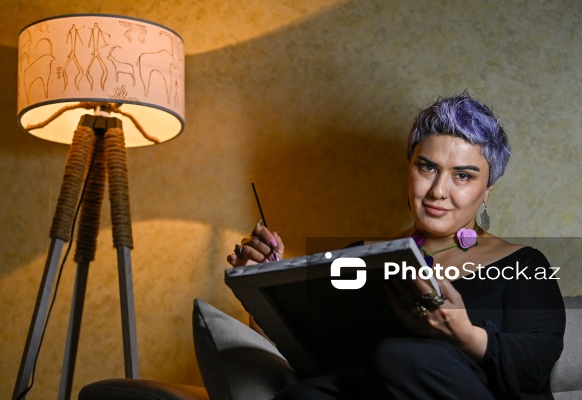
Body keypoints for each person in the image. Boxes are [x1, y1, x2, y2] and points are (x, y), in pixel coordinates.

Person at [226, 91, 565, 399]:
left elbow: (536, 362)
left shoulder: (523, 263)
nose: (438, 191)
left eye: (463, 175)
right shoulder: (357, 257)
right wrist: (264, 285)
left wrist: (464, 334)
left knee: (401, 357)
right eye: (427, 167)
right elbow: (307, 354)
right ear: (410, 168)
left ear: (487, 189)